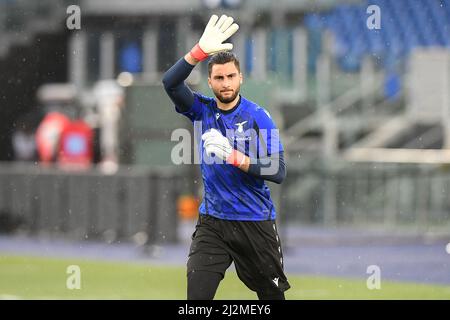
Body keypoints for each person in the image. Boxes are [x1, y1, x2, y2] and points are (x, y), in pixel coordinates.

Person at [162, 14, 290, 300]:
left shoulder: (260, 117)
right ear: (210, 81)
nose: (226, 83)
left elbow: (278, 170)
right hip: (213, 223)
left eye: (231, 76)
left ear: (240, 77)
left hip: (254, 221)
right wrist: (198, 52)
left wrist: (234, 156)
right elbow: (170, 83)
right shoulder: (202, 110)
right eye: (219, 77)